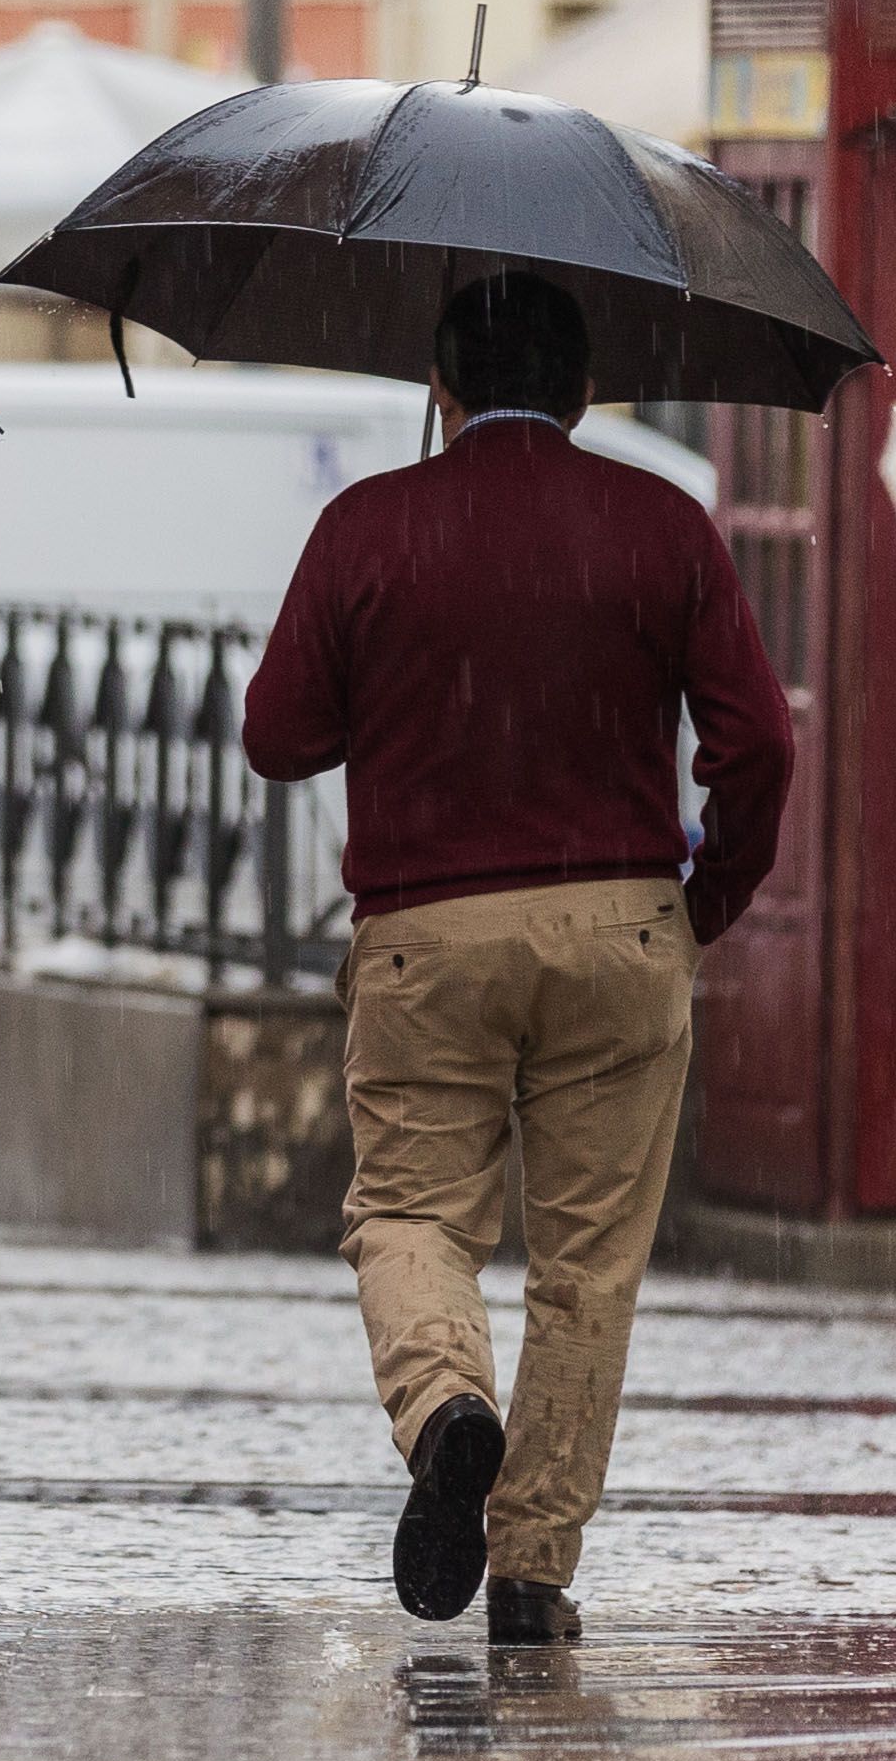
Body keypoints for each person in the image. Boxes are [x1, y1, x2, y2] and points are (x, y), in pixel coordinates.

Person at [243, 272, 794, 1648]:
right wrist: (705, 901)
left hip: (426, 936)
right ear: (585, 394)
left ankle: (447, 1409)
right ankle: (534, 1570)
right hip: (620, 929)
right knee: (588, 1265)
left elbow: (278, 735)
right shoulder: (660, 524)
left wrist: (399, 650)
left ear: (439, 387)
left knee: (411, 1216)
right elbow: (758, 741)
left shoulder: (371, 525)